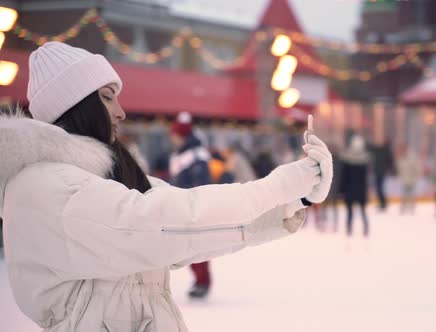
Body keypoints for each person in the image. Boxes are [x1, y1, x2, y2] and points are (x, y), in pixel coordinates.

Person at [0, 42, 333, 332]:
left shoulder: (106, 178)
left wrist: (294, 198)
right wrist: (277, 187)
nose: (121, 111)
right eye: (107, 97)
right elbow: (158, 224)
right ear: (75, 106)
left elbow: (181, 219)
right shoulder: (45, 186)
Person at [168, 112, 214, 299]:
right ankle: (200, 281)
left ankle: (203, 282)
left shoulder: (196, 155)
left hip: (194, 207)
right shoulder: (183, 153)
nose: (172, 138)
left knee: (196, 248)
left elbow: (200, 182)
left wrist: (193, 204)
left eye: (175, 135)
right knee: (189, 248)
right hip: (184, 205)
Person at [340, 134, 370, 237]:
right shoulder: (364, 160)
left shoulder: (348, 160)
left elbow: (344, 177)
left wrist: (342, 190)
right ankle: (360, 228)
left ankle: (350, 228)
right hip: (358, 190)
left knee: (352, 211)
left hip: (351, 190)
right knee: (360, 211)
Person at [369, 138, 394, 211]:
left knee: (379, 188)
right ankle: (383, 203)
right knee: (379, 188)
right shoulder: (386, 151)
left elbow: (372, 148)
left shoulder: (381, 150)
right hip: (380, 172)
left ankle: (383, 203)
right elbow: (390, 162)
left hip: (379, 172)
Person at [397, 144, 422, 215]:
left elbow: (417, 167)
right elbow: (399, 168)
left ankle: (412, 207)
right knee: (404, 194)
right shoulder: (401, 157)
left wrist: (416, 176)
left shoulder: (412, 157)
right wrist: (400, 176)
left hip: (412, 179)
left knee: (412, 194)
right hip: (404, 179)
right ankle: (403, 206)